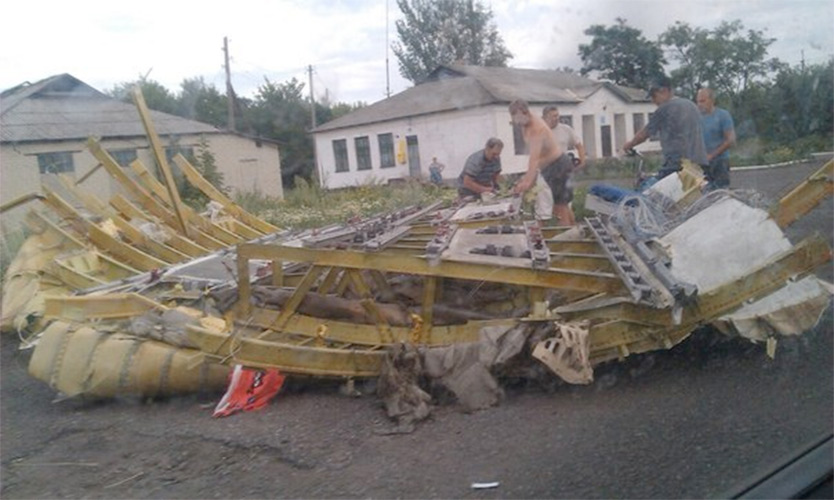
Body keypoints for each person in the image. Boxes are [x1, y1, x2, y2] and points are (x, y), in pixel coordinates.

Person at [622, 75, 708, 180]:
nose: (654, 101)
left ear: (665, 91)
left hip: (677, 165)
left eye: (654, 96)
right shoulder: (691, 105)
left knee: (655, 191)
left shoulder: (664, 108)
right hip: (699, 162)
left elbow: (645, 133)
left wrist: (629, 145)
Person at [508, 100, 573, 224]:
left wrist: (526, 183)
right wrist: (526, 179)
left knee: (561, 206)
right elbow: (531, 154)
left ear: (525, 112)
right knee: (558, 205)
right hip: (546, 167)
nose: (516, 121)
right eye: (513, 117)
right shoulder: (524, 125)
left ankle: (571, 238)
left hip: (559, 165)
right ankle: (575, 232)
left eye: (517, 117)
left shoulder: (537, 128)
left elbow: (534, 158)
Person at [542, 105, 587, 225]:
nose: (556, 118)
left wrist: (583, 161)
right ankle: (574, 229)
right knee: (559, 206)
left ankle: (568, 232)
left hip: (563, 169)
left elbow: (579, 144)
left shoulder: (566, 129)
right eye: (553, 116)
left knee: (561, 205)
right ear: (545, 118)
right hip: (547, 171)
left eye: (557, 115)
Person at [697, 87, 736, 189]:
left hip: (720, 162)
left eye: (702, 101)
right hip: (703, 163)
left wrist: (712, 155)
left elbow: (730, 140)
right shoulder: (697, 118)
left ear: (712, 100)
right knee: (704, 193)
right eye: (698, 101)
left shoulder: (723, 115)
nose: (699, 104)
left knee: (721, 192)